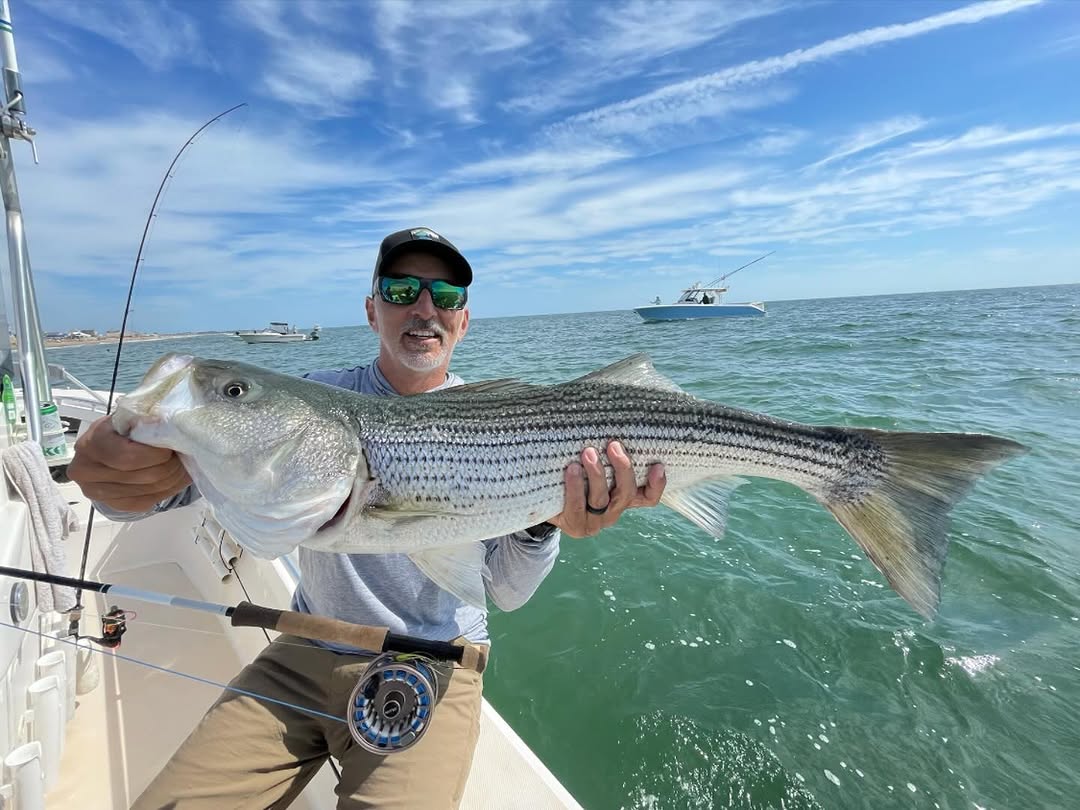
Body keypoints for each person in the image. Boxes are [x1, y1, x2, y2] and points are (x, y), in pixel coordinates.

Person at [68, 226, 667, 809]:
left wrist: (543, 521)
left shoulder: (506, 421)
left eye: (447, 296)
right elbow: (149, 493)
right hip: (302, 650)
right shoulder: (315, 393)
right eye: (402, 291)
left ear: (464, 318)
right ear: (371, 308)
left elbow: (504, 594)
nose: (425, 309)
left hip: (434, 663)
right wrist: (114, 472)